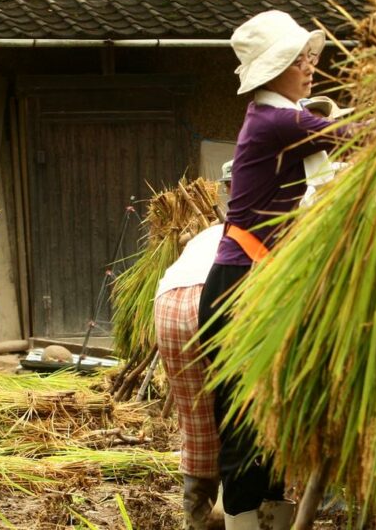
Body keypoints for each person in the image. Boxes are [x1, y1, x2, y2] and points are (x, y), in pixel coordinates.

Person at [197, 10, 351, 529]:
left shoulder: (283, 116)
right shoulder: (279, 121)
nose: (309, 65)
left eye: (308, 57)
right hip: (240, 285)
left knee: (269, 416)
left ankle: (269, 516)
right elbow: (359, 135)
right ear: (271, 69)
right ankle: (244, 520)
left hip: (257, 282)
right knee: (245, 419)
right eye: (297, 59)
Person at [153, 166, 231, 530]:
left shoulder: (211, 234)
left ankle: (199, 517)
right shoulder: (275, 226)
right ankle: (235, 509)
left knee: (198, 421)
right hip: (217, 295)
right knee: (243, 417)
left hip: (169, 300)